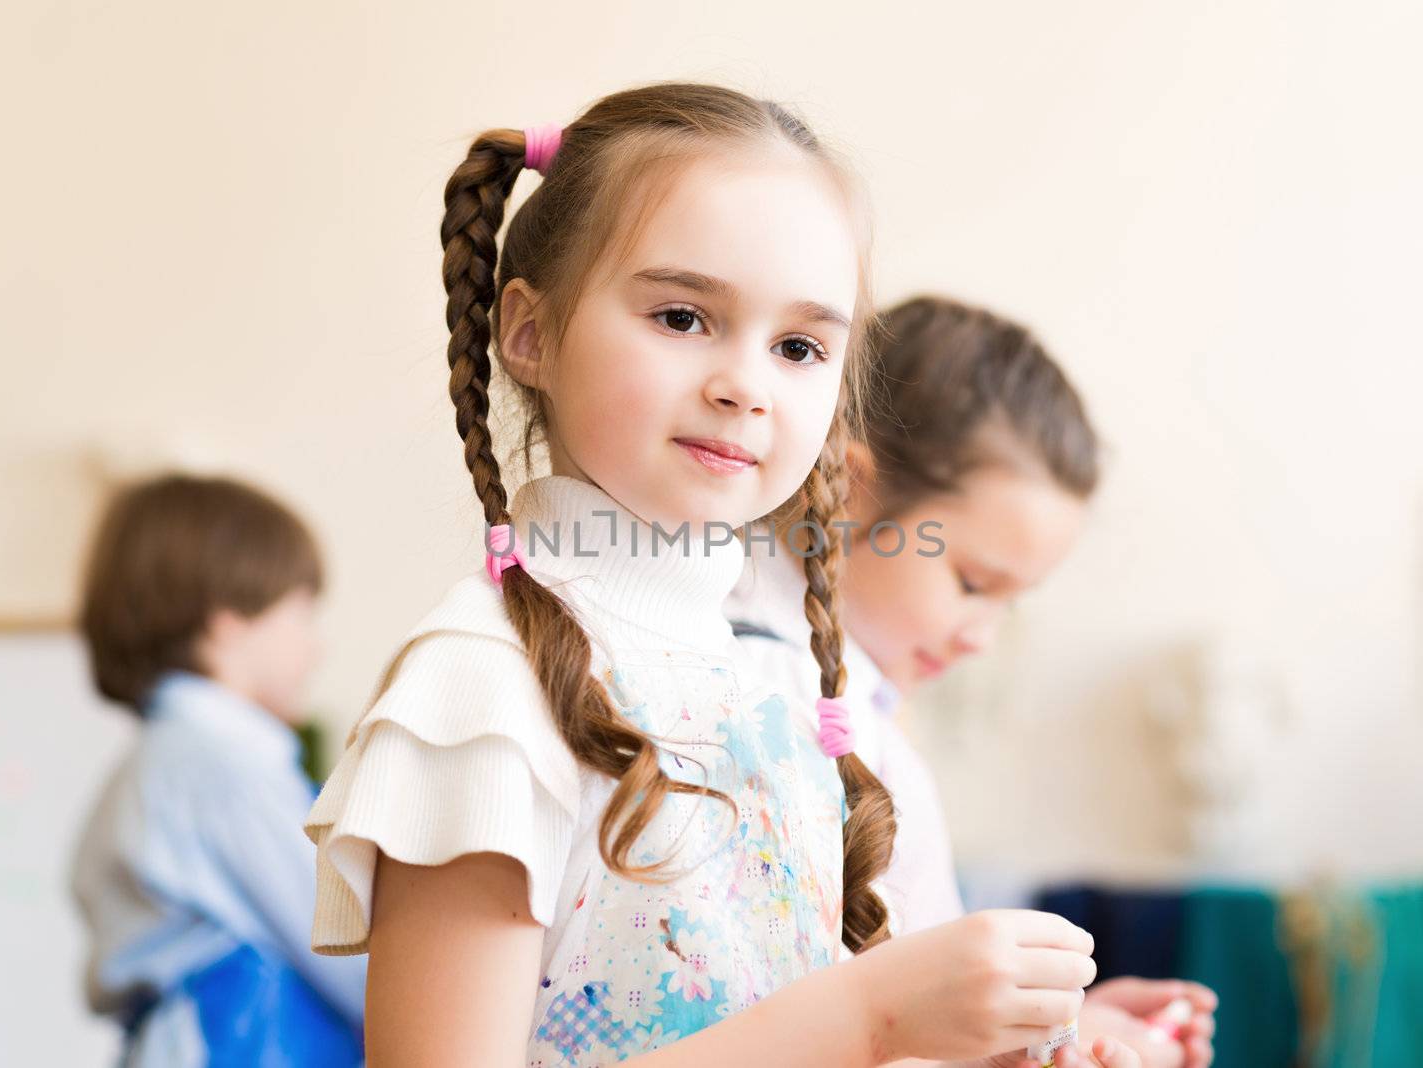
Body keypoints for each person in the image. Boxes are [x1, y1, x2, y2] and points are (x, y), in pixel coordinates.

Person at [302, 86, 1132, 1068]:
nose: (745, 383)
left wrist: (999, 1044)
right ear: (528, 333)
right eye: (682, 316)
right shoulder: (478, 690)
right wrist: (870, 1015)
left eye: (798, 347)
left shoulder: (780, 687)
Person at [728, 296, 1217, 1067]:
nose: (983, 638)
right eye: (975, 582)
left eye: (1009, 603)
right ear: (852, 491)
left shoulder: (848, 708)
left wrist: (1051, 1028)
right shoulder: (766, 705)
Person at [71, 473, 365, 1066]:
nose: (316, 646)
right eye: (302, 613)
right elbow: (344, 949)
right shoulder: (223, 765)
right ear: (227, 615)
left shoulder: (170, 754)